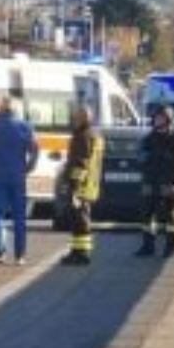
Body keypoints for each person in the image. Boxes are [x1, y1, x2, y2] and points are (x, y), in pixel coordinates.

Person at [0, 96, 39, 265]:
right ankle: (20, 255)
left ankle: (0, 251)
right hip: (18, 177)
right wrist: (29, 167)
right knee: (19, 217)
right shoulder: (25, 126)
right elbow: (35, 149)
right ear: (16, 109)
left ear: (1, 107)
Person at [137, 106, 174, 259]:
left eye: (161, 118)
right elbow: (140, 156)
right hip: (151, 182)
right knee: (147, 215)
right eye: (156, 118)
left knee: (171, 216)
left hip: (169, 183)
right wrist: (143, 160)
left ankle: (170, 248)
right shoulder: (149, 138)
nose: (157, 120)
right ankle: (147, 246)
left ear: (168, 119)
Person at [59, 105, 105, 266]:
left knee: (80, 220)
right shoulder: (95, 134)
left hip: (81, 186)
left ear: (85, 118)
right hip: (90, 184)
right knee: (80, 219)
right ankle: (77, 251)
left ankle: (82, 253)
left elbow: (81, 163)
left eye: (78, 117)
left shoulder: (83, 136)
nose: (75, 119)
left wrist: (74, 186)